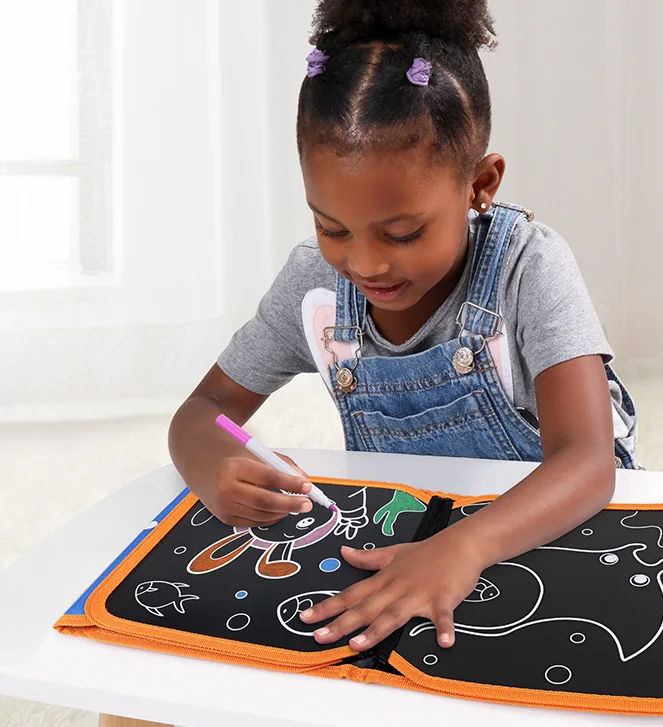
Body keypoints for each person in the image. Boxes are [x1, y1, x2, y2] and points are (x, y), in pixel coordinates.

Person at [168, 0, 638, 655]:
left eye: (403, 233)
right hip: (412, 529)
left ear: (480, 184)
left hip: (553, 523)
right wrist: (210, 460)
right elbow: (204, 409)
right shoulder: (314, 285)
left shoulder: (529, 266)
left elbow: (588, 462)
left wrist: (464, 547)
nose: (364, 263)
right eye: (331, 227)